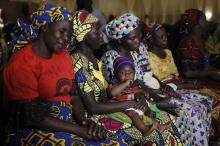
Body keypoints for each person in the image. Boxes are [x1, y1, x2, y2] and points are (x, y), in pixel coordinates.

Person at [69, 10, 192, 146]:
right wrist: (131, 104)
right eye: (96, 31)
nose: (101, 35)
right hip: (99, 116)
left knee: (170, 121)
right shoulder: (78, 60)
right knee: (163, 137)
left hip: (113, 106)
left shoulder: (92, 58)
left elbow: (115, 89)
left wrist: (137, 95)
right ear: (83, 35)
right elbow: (92, 106)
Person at [3, 4, 120, 145]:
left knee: (112, 141)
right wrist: (78, 130)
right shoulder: (22, 62)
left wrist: (83, 121)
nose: (66, 38)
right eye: (62, 31)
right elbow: (31, 116)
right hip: (31, 128)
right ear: (45, 27)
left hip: (67, 121)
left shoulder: (63, 56)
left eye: (69, 35)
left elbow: (74, 97)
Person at [102, 13, 213, 146]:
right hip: (123, 102)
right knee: (181, 113)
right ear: (120, 40)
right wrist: (148, 97)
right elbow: (114, 89)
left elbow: (139, 82)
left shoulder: (132, 53)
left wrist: (147, 95)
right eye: (133, 38)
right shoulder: (111, 57)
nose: (138, 41)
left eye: (139, 36)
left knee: (183, 111)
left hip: (140, 96)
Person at [107, 56, 171, 136]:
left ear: (134, 74)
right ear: (116, 74)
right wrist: (125, 84)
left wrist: (142, 94)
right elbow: (112, 93)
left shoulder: (134, 83)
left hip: (137, 104)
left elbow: (142, 92)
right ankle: (144, 130)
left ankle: (158, 126)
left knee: (148, 110)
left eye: (130, 72)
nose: (127, 75)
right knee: (133, 115)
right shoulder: (115, 83)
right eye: (122, 73)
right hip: (124, 106)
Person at [177, 8, 220, 81]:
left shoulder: (201, 41)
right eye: (205, 20)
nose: (207, 22)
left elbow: (203, 66)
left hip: (203, 80)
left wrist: (215, 71)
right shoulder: (187, 44)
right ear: (200, 22)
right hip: (191, 84)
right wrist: (210, 73)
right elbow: (188, 73)